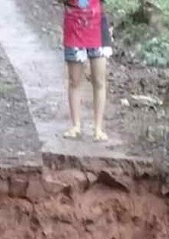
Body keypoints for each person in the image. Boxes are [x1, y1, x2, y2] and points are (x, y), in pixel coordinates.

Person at [62, 0, 112, 142]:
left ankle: (98, 128)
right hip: (74, 27)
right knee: (74, 80)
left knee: (99, 80)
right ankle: (76, 125)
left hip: (97, 27)